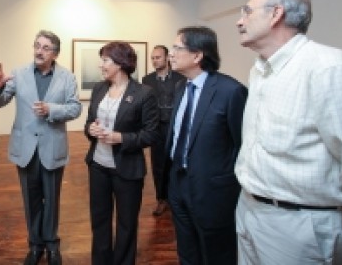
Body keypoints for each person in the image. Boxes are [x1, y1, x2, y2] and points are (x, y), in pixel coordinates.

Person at [235, 0, 342, 265]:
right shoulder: (260, 70)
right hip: (249, 210)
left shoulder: (329, 67)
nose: (239, 20)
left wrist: (323, 207)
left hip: (299, 225)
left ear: (276, 14)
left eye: (247, 11)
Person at [0, 30, 82, 265]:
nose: (39, 51)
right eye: (37, 45)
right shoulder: (19, 74)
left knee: (51, 198)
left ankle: (52, 245)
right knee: (30, 199)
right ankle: (35, 245)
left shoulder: (67, 77)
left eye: (46, 48)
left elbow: (75, 108)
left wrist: (52, 110)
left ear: (55, 53)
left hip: (52, 147)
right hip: (26, 148)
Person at [163, 26, 247, 265]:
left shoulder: (231, 92)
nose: (171, 53)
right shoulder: (181, 87)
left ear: (197, 55)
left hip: (213, 191)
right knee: (187, 252)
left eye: (177, 48)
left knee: (217, 254)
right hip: (178, 184)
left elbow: (242, 146)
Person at [84, 41, 159, 265]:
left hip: (127, 168)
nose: (101, 65)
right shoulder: (99, 88)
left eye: (105, 60)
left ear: (120, 63)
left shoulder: (144, 94)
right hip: (98, 165)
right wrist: (91, 129)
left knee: (127, 224)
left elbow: (151, 134)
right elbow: (89, 121)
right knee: (99, 220)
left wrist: (120, 138)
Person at [142, 45, 184, 216]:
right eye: (153, 58)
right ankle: (161, 199)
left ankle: (177, 199)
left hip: (176, 128)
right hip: (156, 128)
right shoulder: (147, 80)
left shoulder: (180, 78)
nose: (154, 60)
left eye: (158, 57)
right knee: (158, 165)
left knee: (177, 163)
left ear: (167, 58)